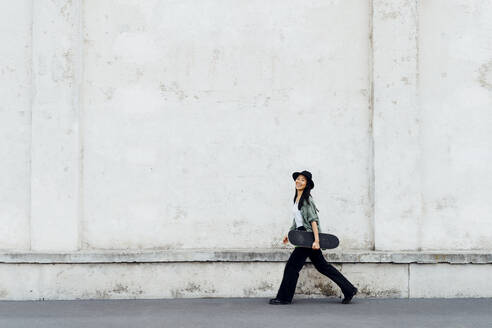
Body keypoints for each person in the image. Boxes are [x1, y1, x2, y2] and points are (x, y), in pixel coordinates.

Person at [269, 170, 358, 305]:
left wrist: (316, 240)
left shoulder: (306, 199)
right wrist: (289, 234)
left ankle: (284, 298)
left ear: (307, 184)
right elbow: (297, 220)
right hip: (301, 236)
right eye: (298, 179)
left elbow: (313, 221)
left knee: (292, 267)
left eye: (303, 180)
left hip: (307, 238)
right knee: (322, 266)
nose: (299, 181)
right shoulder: (297, 198)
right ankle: (349, 289)